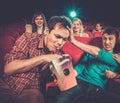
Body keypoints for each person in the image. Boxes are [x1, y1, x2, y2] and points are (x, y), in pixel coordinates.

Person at [0, 15, 72, 103]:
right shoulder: (29, 39)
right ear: (46, 31)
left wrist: (58, 79)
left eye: (64, 39)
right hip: (6, 84)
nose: (60, 43)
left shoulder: (59, 55)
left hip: (30, 91)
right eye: (57, 36)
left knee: (37, 98)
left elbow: (64, 83)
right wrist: (43, 58)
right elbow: (8, 69)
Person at [56, 27, 120, 103]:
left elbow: (98, 52)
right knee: (62, 99)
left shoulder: (116, 58)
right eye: (104, 39)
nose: (107, 42)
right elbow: (79, 68)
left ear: (116, 41)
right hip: (80, 83)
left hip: (97, 89)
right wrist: (64, 77)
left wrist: (117, 75)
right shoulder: (89, 53)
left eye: (110, 39)